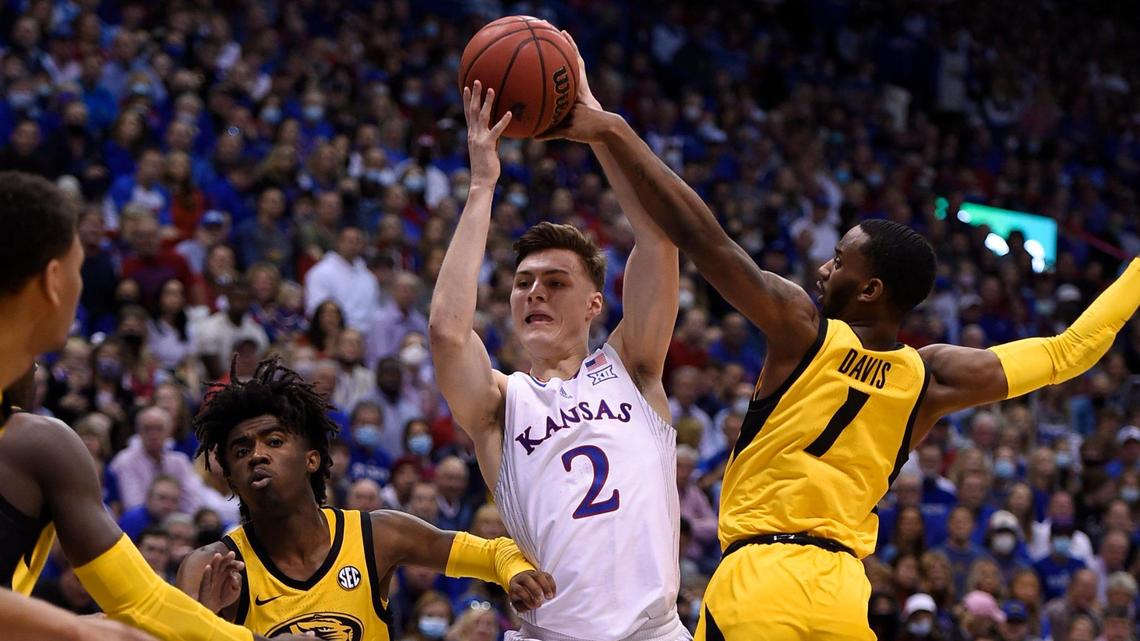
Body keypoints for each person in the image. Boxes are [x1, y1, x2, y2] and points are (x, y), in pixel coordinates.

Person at [541, 30, 1140, 640]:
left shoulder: (801, 327)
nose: (825, 268)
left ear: (871, 289)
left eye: (839, 260)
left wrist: (610, 129)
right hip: (843, 597)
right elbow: (1072, 351)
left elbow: (702, 238)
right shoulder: (931, 377)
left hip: (760, 578)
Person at [431, 48, 688, 641]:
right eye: (523, 283)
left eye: (554, 282)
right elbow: (448, 332)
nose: (534, 294)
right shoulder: (501, 404)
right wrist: (481, 184)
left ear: (595, 303)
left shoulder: (634, 369)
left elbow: (658, 244)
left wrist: (600, 130)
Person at [0, 172, 322, 641]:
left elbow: (138, 608)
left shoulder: (27, 426)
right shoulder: (39, 443)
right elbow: (138, 601)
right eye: (78, 266)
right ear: (53, 280)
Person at [177, 357, 555, 640]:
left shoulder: (377, 535)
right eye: (241, 451)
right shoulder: (211, 568)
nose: (257, 455)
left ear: (312, 459)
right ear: (230, 480)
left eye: (274, 442)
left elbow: (493, 553)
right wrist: (206, 622)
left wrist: (515, 572)